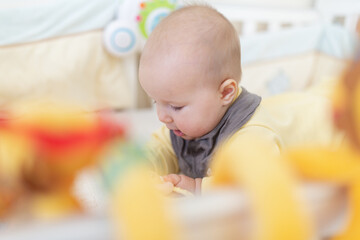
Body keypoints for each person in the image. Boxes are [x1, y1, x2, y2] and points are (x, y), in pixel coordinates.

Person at [138, 4, 343, 194]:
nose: (162, 116)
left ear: (226, 93)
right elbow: (161, 147)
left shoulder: (253, 135)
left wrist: (199, 186)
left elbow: (256, 182)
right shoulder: (182, 125)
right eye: (157, 102)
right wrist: (142, 169)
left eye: (175, 106)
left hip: (335, 119)